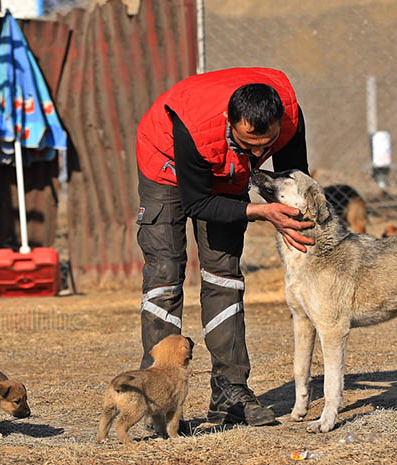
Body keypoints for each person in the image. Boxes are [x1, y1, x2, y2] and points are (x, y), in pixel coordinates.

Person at [135, 67, 314, 426]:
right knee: (165, 273)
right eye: (250, 143)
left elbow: (296, 177)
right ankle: (157, 396)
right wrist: (259, 211)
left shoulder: (289, 116)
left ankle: (230, 391)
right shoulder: (196, 126)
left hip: (225, 168)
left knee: (224, 274)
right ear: (228, 121)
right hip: (166, 163)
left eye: (268, 143)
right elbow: (197, 204)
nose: (260, 151)